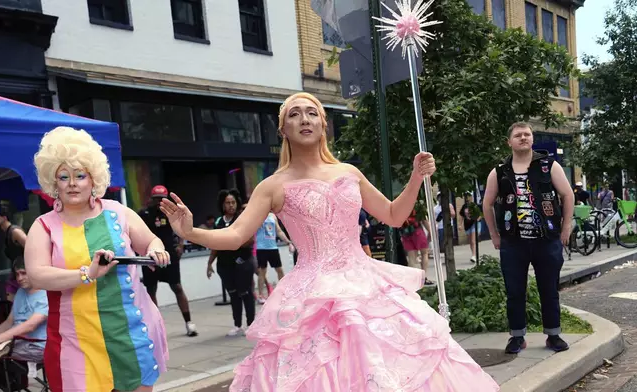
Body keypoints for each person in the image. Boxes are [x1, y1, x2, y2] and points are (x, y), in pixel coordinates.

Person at [160, 93, 499, 391]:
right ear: (283, 130)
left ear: (323, 125)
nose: (304, 119)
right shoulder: (272, 186)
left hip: (367, 284)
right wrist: (190, 232)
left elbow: (394, 215)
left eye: (311, 113)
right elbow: (235, 236)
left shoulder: (349, 172)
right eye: (294, 114)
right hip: (313, 293)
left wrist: (415, 179)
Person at [24, 126, 170, 392]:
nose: (72, 183)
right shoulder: (43, 225)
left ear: (93, 178)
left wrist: (156, 250)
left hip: (129, 334)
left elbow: (150, 241)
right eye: (63, 176)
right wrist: (87, 274)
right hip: (75, 342)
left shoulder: (118, 212)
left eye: (80, 175)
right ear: (53, 182)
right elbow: (36, 275)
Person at [482, 122, 574, 355]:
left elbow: (567, 194)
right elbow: (487, 203)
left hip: (547, 240)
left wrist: (566, 227)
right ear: (509, 142)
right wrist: (494, 234)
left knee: (549, 289)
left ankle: (553, 335)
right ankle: (517, 337)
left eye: (527, 134)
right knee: (514, 291)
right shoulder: (500, 171)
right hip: (513, 242)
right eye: (518, 135)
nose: (523, 138)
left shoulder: (549, 166)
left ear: (532, 139)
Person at [139, 185, 197, 337]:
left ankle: (189, 323)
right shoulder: (144, 214)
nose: (159, 202)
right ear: (151, 199)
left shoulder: (171, 212)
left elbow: (183, 228)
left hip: (169, 256)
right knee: (151, 290)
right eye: (156, 199)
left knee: (177, 287)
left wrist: (180, 245)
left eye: (162, 199)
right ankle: (157, 326)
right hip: (149, 257)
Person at [208, 190, 256, 337]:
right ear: (222, 205)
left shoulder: (242, 219)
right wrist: (210, 263)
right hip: (225, 265)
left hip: (242, 263)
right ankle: (237, 325)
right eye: (228, 203)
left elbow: (250, 240)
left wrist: (230, 241)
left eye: (233, 202)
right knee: (233, 295)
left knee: (246, 293)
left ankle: (251, 324)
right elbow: (215, 244)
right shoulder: (219, 222)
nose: (231, 205)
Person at [0, 256, 47, 365]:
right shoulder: (20, 292)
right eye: (17, 274)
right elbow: (9, 323)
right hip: (16, 342)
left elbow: (30, 325)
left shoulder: (46, 294)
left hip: (36, 346)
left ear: (34, 272)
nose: (19, 278)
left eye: (23, 273)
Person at [255, 212, 294, 304]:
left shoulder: (272, 216)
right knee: (262, 272)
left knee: (279, 270)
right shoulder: (257, 213)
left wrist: (288, 242)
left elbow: (279, 231)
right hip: (261, 248)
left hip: (273, 247)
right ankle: (260, 295)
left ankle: (283, 292)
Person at [0, 205, 25, 301]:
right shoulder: (7, 233)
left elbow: (32, 248)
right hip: (17, 271)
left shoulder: (14, 231)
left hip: (24, 271)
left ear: (4, 217)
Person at [400, 208, 434, 285]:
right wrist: (430, 231)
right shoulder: (417, 206)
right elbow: (424, 220)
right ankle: (423, 278)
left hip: (406, 233)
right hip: (417, 231)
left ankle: (412, 279)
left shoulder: (402, 207)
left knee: (411, 257)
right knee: (424, 254)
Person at [459, 192, 482, 263]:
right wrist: (460, 225)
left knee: (473, 240)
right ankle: (473, 254)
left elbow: (481, 213)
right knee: (470, 241)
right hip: (467, 225)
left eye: (468, 196)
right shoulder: (464, 206)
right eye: (466, 196)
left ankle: (474, 255)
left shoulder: (475, 205)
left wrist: (478, 218)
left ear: (471, 197)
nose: (467, 198)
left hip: (475, 224)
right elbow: (462, 216)